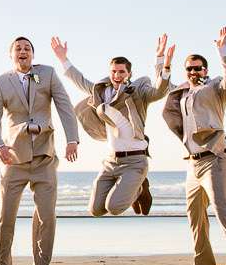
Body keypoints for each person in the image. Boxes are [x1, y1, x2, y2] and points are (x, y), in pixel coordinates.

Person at [161, 27, 226, 265]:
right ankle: (202, 264)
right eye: (190, 68)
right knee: (194, 214)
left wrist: (223, 50)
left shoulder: (216, 87)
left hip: (215, 158)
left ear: (205, 69)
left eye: (198, 68)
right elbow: (161, 86)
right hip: (192, 162)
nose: (194, 72)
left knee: (223, 212)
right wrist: (163, 61)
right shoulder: (181, 92)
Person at [0, 37, 79, 265]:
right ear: (11, 55)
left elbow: (64, 106)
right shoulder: (1, 82)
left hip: (44, 158)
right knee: (6, 218)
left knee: (47, 217)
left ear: (33, 55)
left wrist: (72, 139)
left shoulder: (47, 74)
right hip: (13, 159)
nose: (23, 51)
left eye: (27, 48)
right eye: (18, 48)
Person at [53, 34, 172, 218]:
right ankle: (135, 187)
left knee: (114, 208)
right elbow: (81, 80)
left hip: (135, 161)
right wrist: (63, 58)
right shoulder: (102, 92)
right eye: (114, 72)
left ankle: (140, 189)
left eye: (121, 72)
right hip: (111, 161)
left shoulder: (138, 93)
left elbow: (159, 90)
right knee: (96, 210)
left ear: (129, 74)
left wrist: (162, 62)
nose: (117, 75)